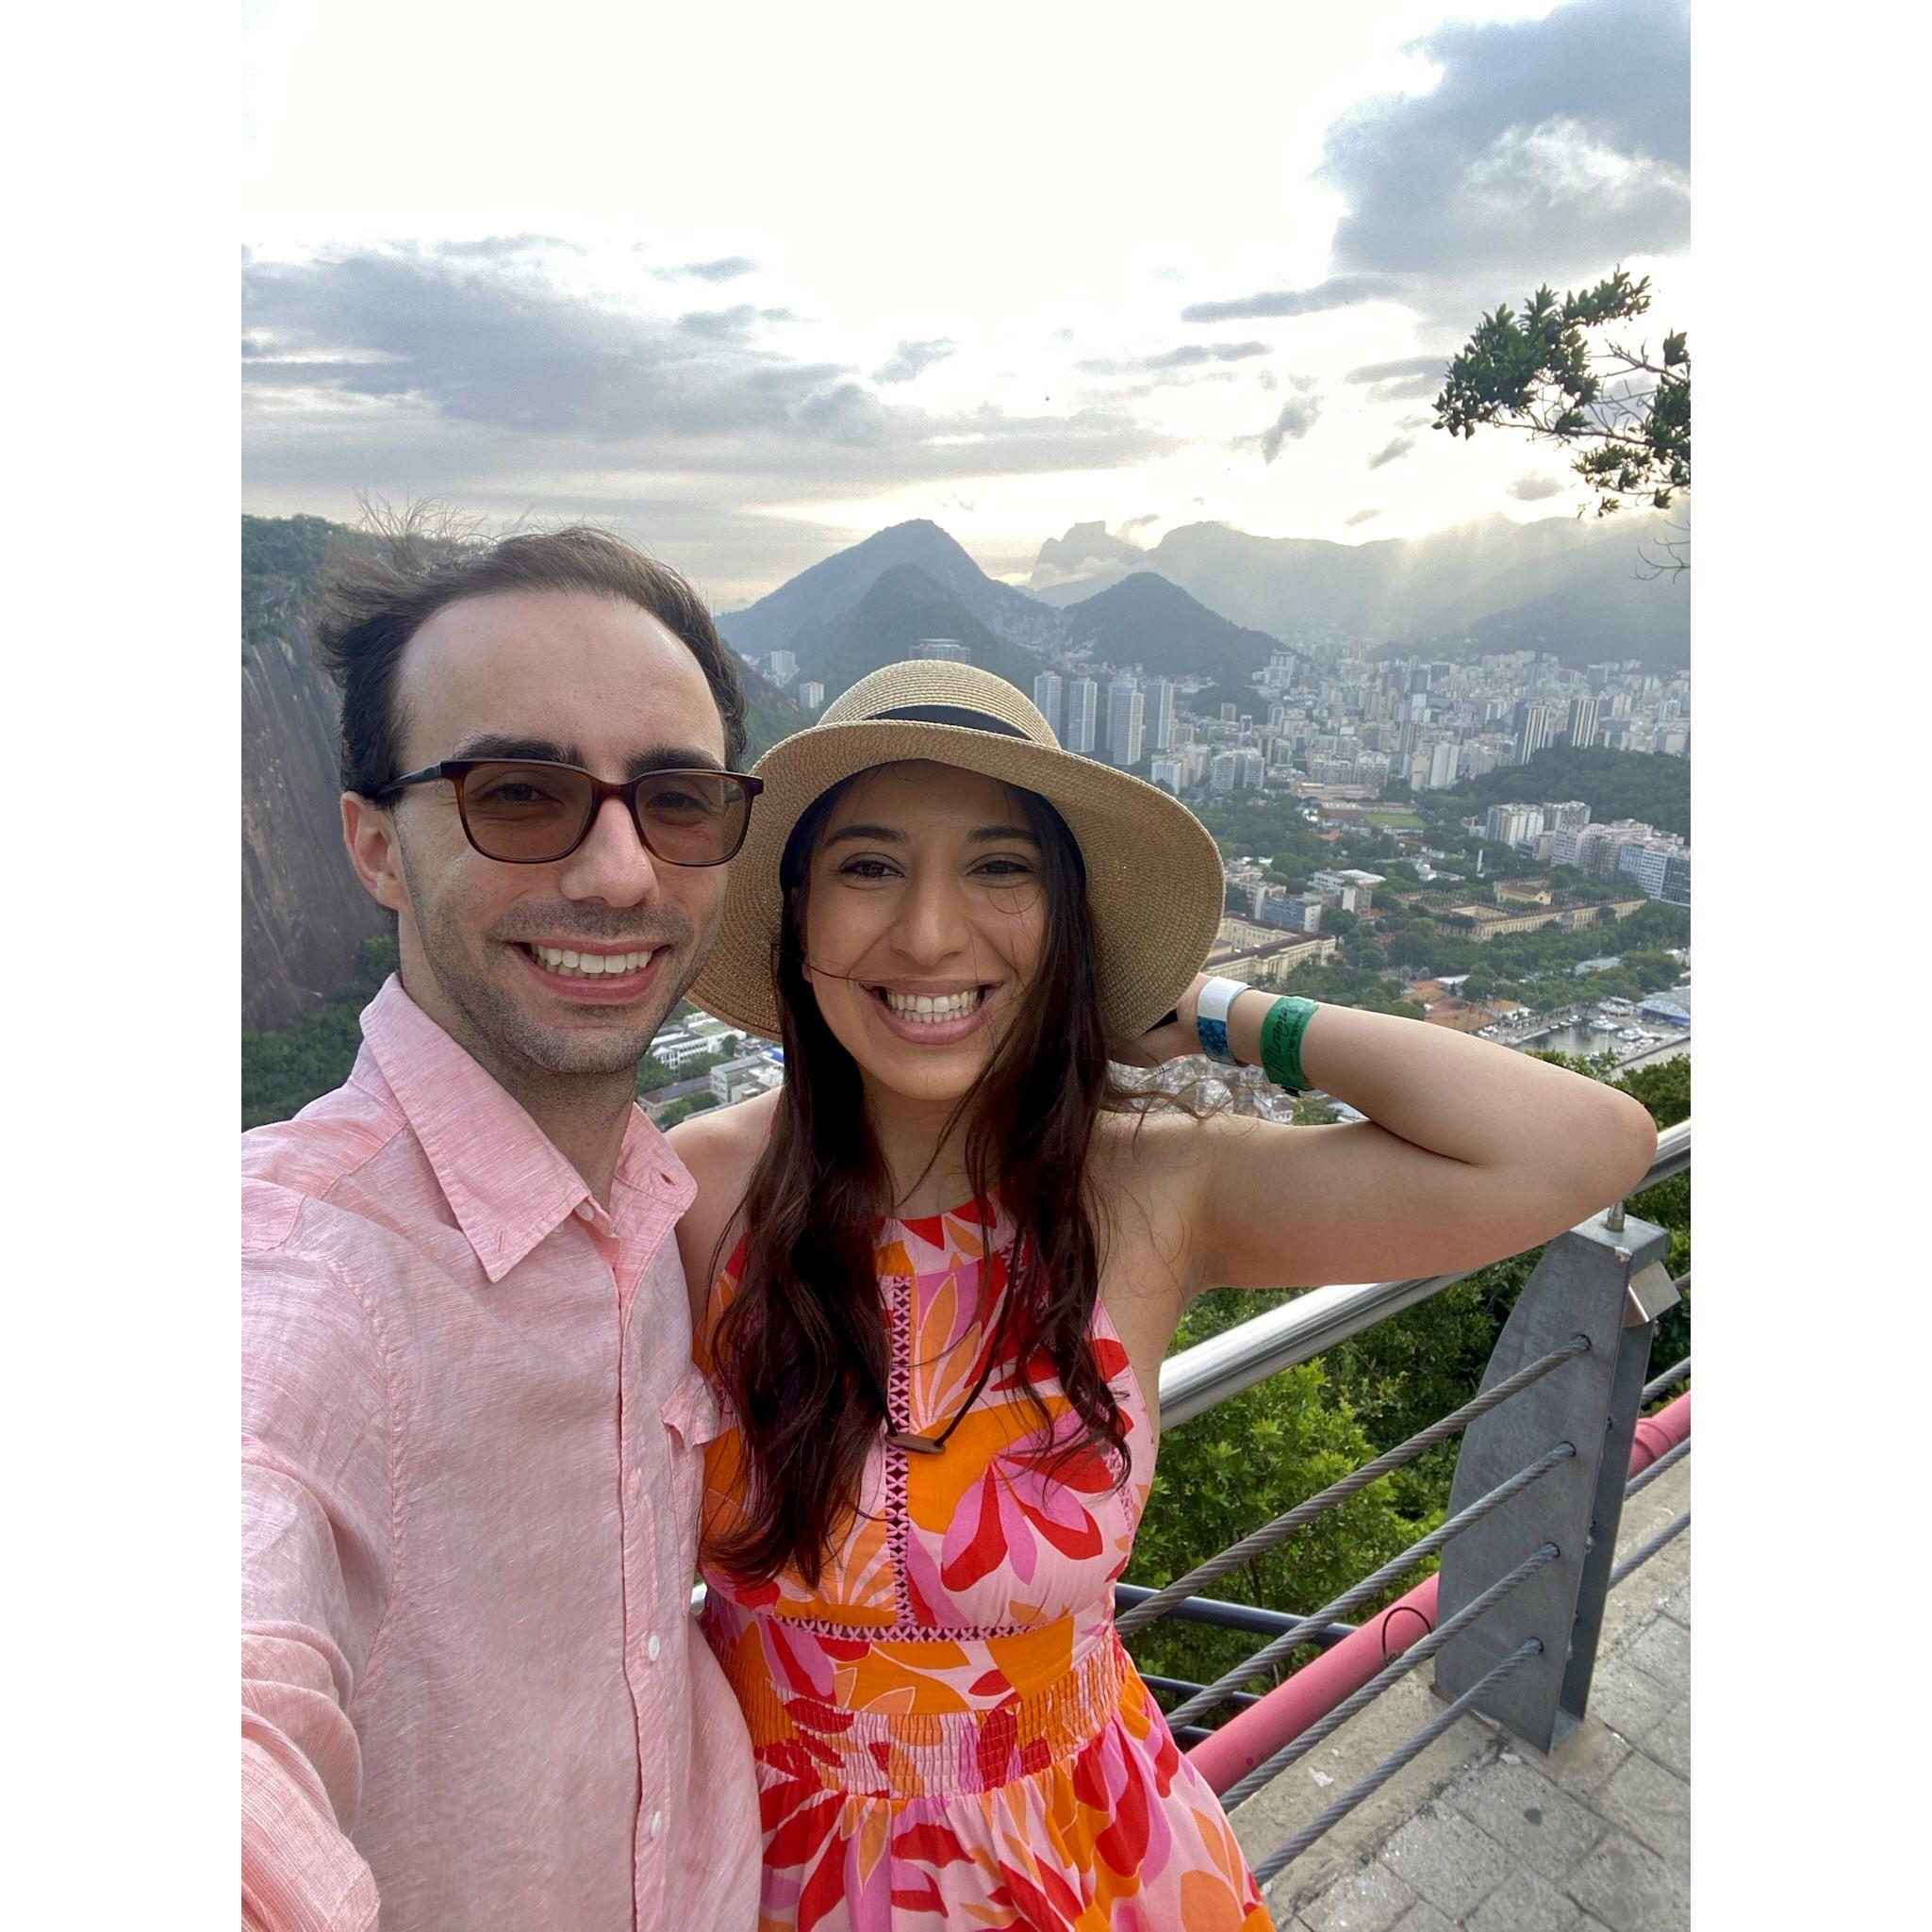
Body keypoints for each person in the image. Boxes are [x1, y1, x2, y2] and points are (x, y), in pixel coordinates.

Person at [669, 661, 1658, 1931]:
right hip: (755, 1857)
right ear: (795, 913)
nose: (925, 933)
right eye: (867, 867)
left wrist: (1210, 1008)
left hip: (1084, 1850)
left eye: (998, 868)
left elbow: (1580, 1145)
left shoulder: (1147, 1182)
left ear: (1066, 921)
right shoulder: (696, 1194)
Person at [242, 524, 766, 1932]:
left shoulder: (665, 1209)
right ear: (374, 844)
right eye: (519, 793)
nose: (615, 872)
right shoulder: (299, 1277)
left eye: (675, 799)